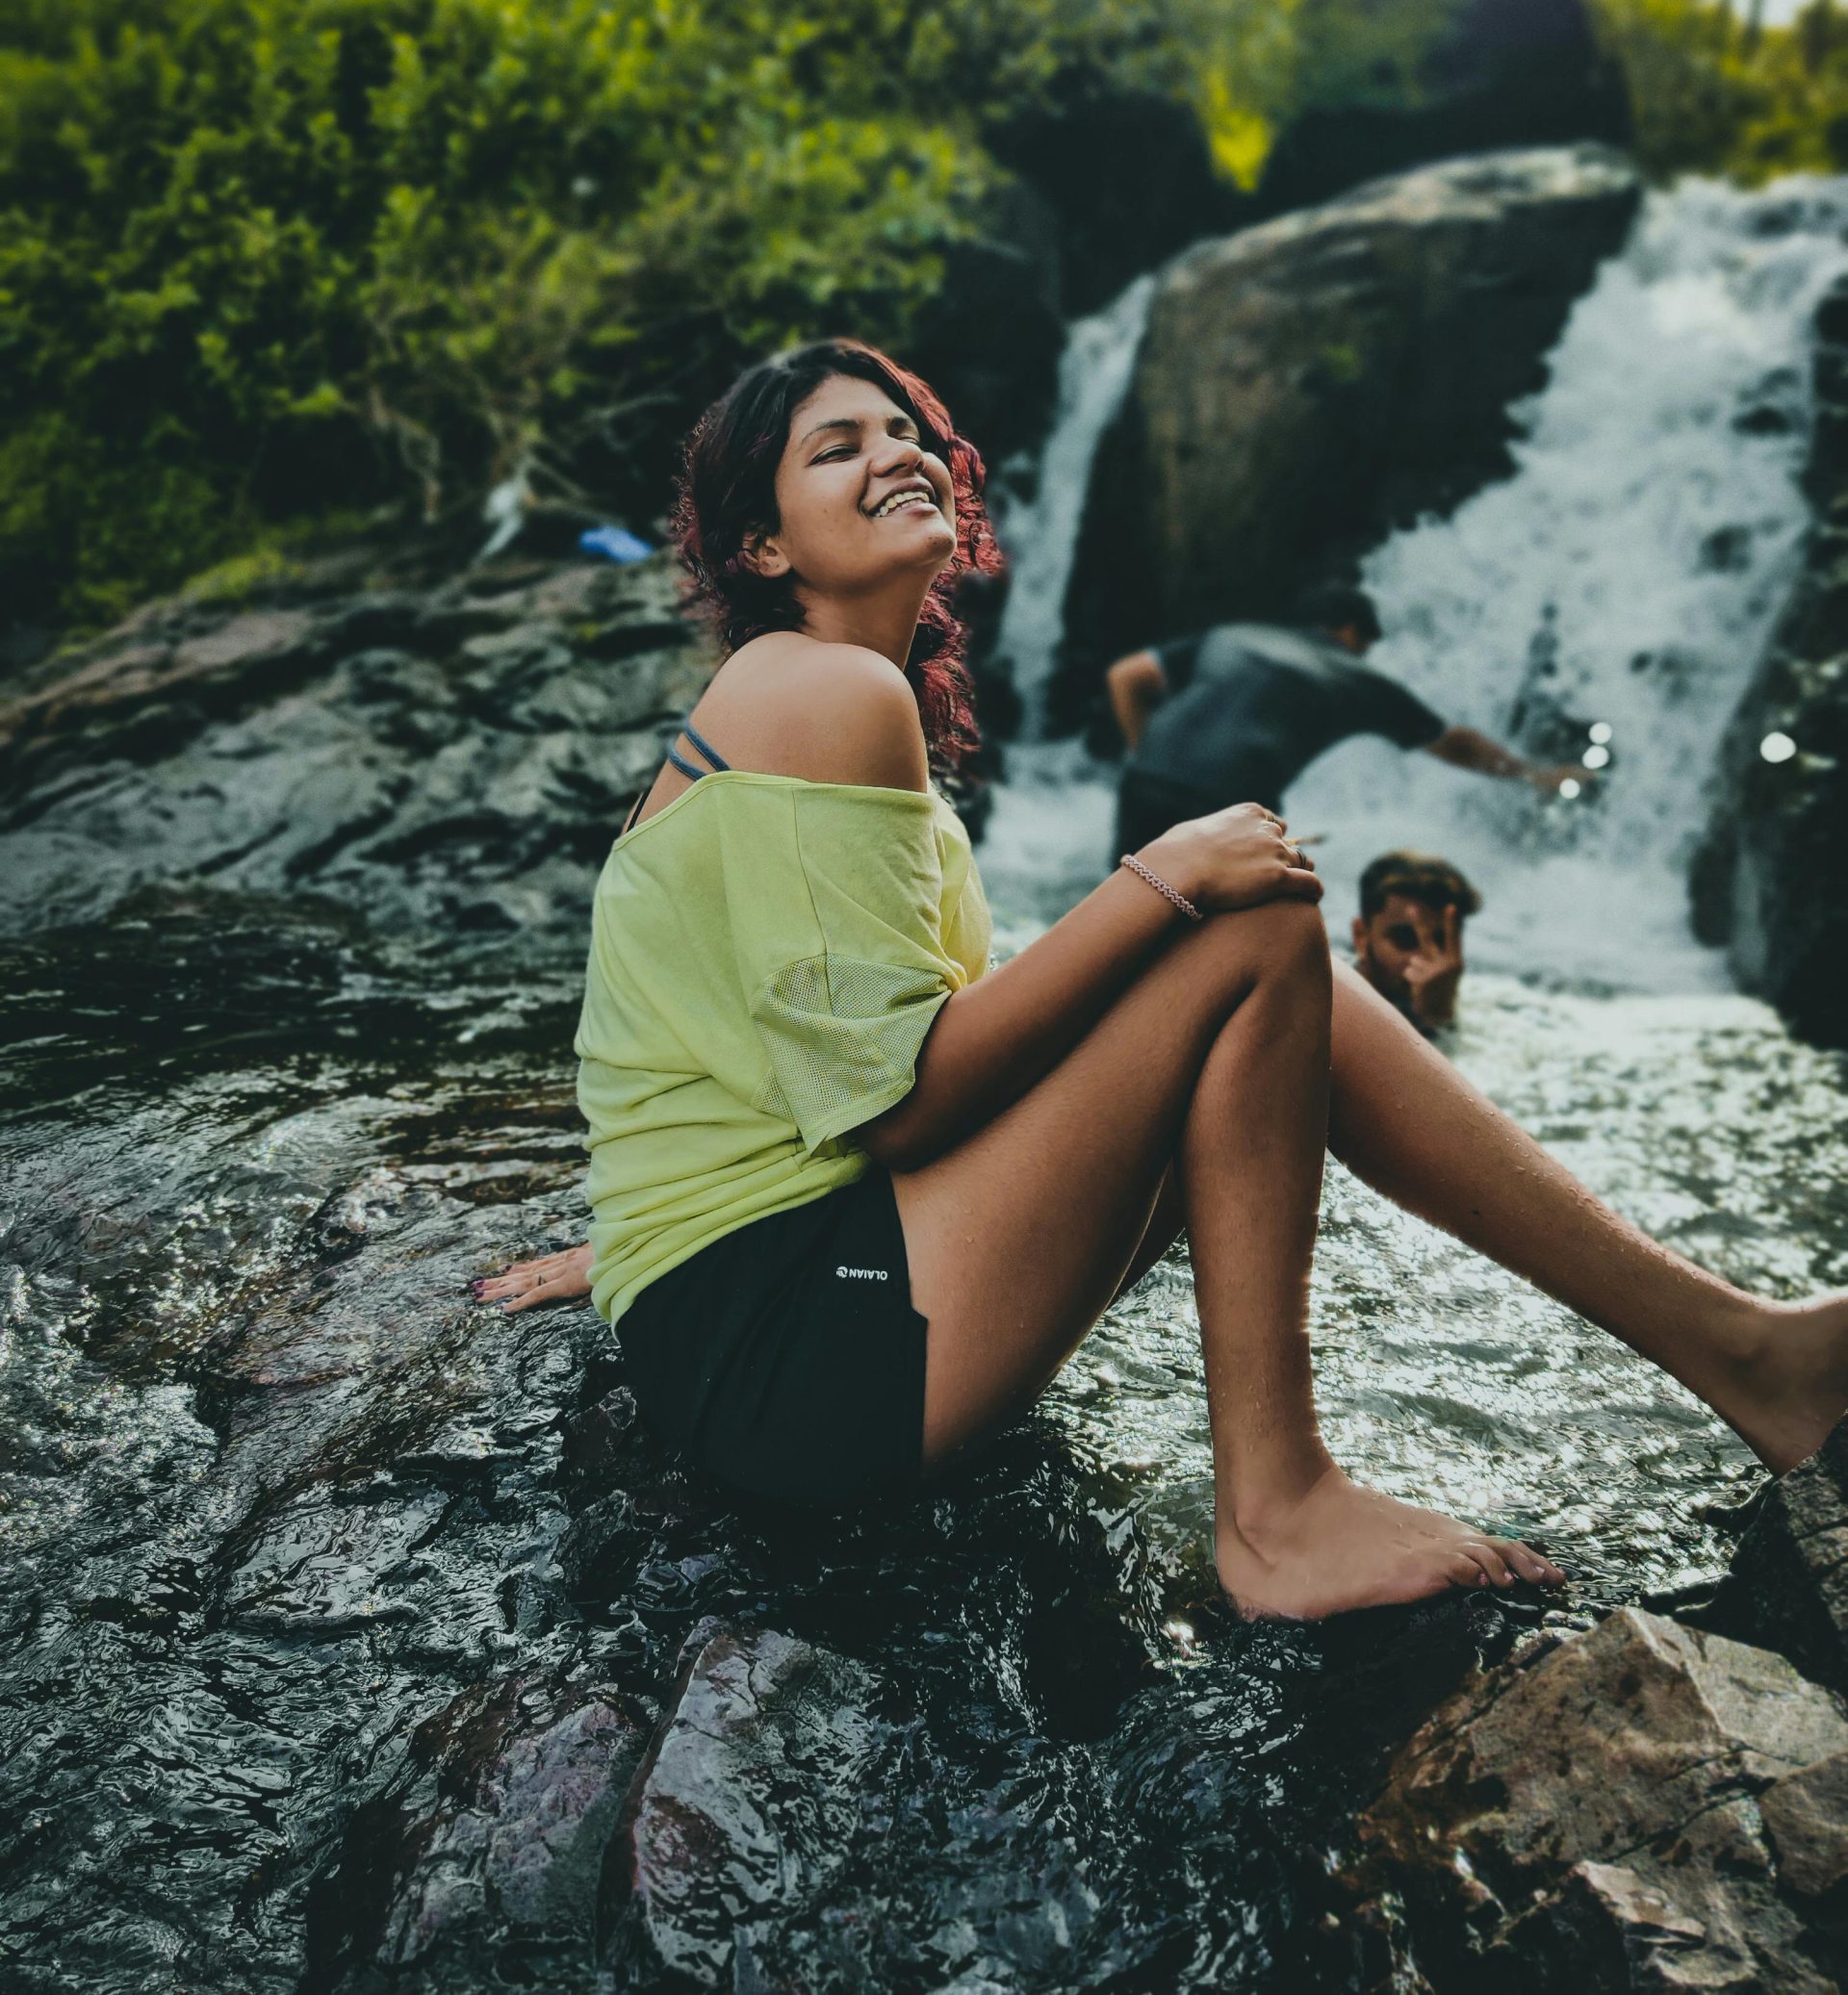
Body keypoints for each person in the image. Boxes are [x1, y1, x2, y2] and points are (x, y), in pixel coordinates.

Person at [475, 337, 1848, 1624]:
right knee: (1240, 929)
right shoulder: (817, 690)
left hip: (776, 1311)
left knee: (1264, 955)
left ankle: (1745, 1351)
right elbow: (901, 1106)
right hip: (796, 1367)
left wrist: (645, 1229)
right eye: (837, 447)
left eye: (907, 429)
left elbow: (761, 1046)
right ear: (762, 545)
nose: (895, 451)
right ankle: (1280, 1509)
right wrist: (1158, 882)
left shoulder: (810, 702)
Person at [1106, 590, 1577, 859]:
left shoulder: (1232, 636)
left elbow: (1126, 676)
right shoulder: (1357, 679)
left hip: (1145, 783)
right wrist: (1534, 775)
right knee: (1210, 932)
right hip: (1229, 807)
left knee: (1126, 911)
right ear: (1349, 631)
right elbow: (1455, 743)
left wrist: (1142, 752)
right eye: (1365, 643)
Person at [1352, 851, 1479, 1037]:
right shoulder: (1324, 1001)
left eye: (1440, 941)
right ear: (1361, 936)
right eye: (1404, 939)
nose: (1423, 959)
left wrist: (1437, 1019)